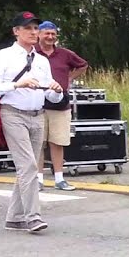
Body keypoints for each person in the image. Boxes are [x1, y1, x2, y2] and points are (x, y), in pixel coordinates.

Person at [0, 11, 64, 233]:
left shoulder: (42, 61)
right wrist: (16, 85)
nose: (33, 32)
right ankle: (32, 216)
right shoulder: (2, 57)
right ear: (16, 32)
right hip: (12, 113)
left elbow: (50, 94)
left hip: (38, 115)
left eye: (36, 28)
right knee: (27, 166)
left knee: (27, 167)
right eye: (28, 28)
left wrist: (56, 91)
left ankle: (14, 218)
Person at [35, 20, 89, 191]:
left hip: (60, 104)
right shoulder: (32, 53)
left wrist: (70, 78)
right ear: (39, 35)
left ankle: (59, 178)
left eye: (53, 34)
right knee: (38, 143)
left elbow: (83, 64)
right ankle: (38, 179)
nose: (50, 37)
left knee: (57, 142)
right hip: (37, 103)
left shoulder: (65, 54)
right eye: (47, 33)